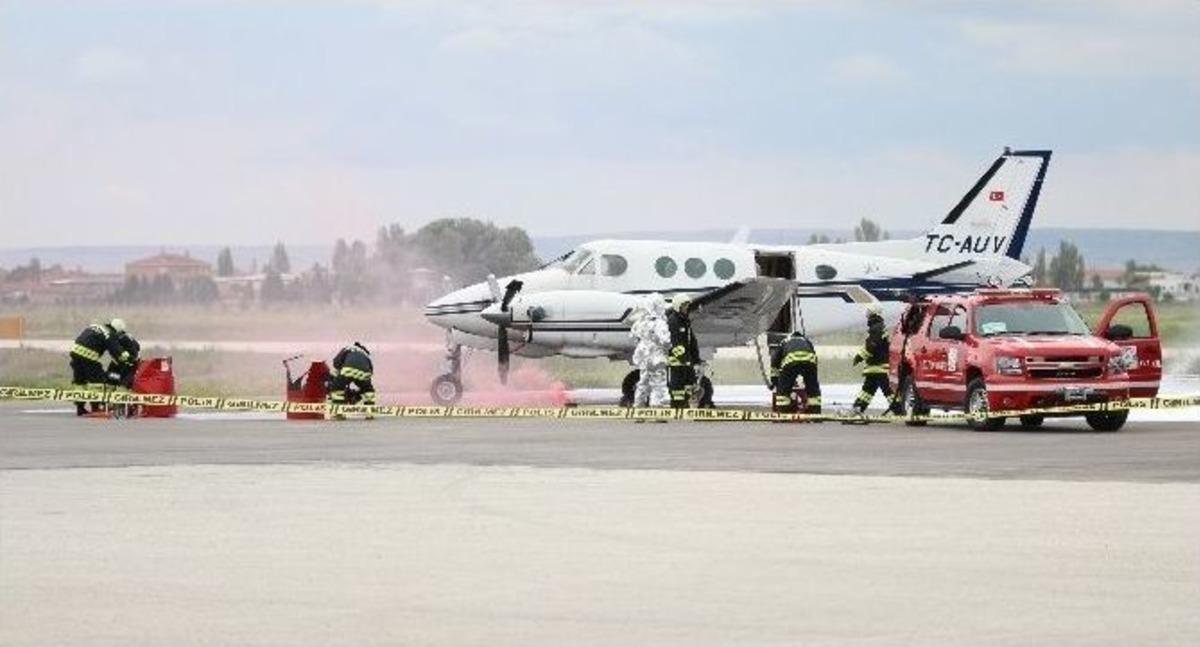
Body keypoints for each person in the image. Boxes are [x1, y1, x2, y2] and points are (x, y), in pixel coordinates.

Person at [69, 318, 134, 416]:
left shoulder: (94, 326)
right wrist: (129, 358)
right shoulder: (110, 334)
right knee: (97, 381)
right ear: (118, 330)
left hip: (75, 353)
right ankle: (95, 409)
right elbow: (116, 351)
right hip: (88, 356)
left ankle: (80, 408)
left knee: (80, 382)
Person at [852, 309, 900, 416]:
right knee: (868, 390)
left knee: (887, 390)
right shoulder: (879, 327)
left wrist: (859, 357)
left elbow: (871, 346)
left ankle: (898, 410)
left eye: (868, 315)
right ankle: (858, 407)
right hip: (875, 367)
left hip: (879, 367)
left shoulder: (876, 329)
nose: (866, 318)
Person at [629, 294, 671, 408]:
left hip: (643, 357)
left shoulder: (640, 322)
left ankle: (638, 406)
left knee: (643, 382)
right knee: (658, 383)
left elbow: (633, 337)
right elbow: (666, 341)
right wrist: (668, 347)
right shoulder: (659, 323)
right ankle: (656, 408)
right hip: (656, 356)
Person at [771, 331, 821, 415]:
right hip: (809, 363)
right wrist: (812, 375)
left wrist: (775, 380)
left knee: (783, 390)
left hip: (791, 362)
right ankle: (815, 412)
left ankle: (783, 412)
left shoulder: (785, 341)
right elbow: (814, 355)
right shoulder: (806, 341)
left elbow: (775, 361)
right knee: (813, 389)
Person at [666, 293, 700, 409]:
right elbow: (675, 344)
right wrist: (685, 359)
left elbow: (691, 341)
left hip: (687, 361)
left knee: (690, 384)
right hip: (677, 363)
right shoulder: (673, 321)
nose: (686, 308)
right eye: (684, 305)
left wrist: (696, 360)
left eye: (687, 306)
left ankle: (685, 404)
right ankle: (677, 406)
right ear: (678, 306)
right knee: (677, 387)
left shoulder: (685, 321)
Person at [327, 342, 376, 420]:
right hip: (365, 372)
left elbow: (336, 362)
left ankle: (339, 413)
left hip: (348, 369)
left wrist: (340, 379)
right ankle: (370, 413)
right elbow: (371, 370)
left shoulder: (347, 348)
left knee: (337, 388)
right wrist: (360, 392)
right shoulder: (366, 355)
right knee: (368, 389)